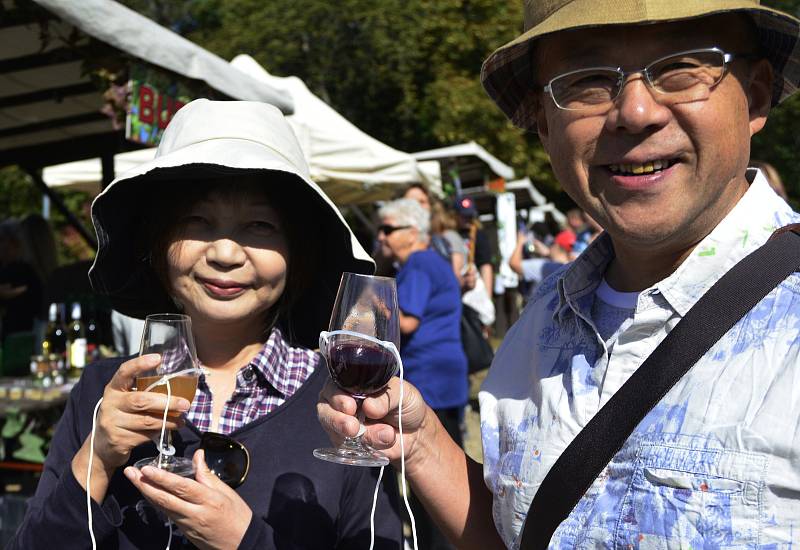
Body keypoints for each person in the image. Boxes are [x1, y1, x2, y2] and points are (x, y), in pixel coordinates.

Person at [319, 1, 800, 548]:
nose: (636, 111)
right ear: (545, 125)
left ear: (756, 96)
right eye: (589, 80)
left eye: (682, 68)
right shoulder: (544, 315)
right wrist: (424, 443)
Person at [11, 99, 402, 549]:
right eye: (197, 221)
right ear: (158, 243)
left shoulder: (343, 411)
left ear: (297, 253)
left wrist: (245, 540)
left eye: (259, 225)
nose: (225, 254)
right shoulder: (102, 394)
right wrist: (97, 461)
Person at [376, 198, 467, 550]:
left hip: (428, 377)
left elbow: (407, 320)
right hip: (445, 374)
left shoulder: (417, 263)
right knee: (447, 475)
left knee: (430, 480)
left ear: (413, 233)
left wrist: (368, 306)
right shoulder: (433, 261)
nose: (380, 236)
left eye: (388, 229)